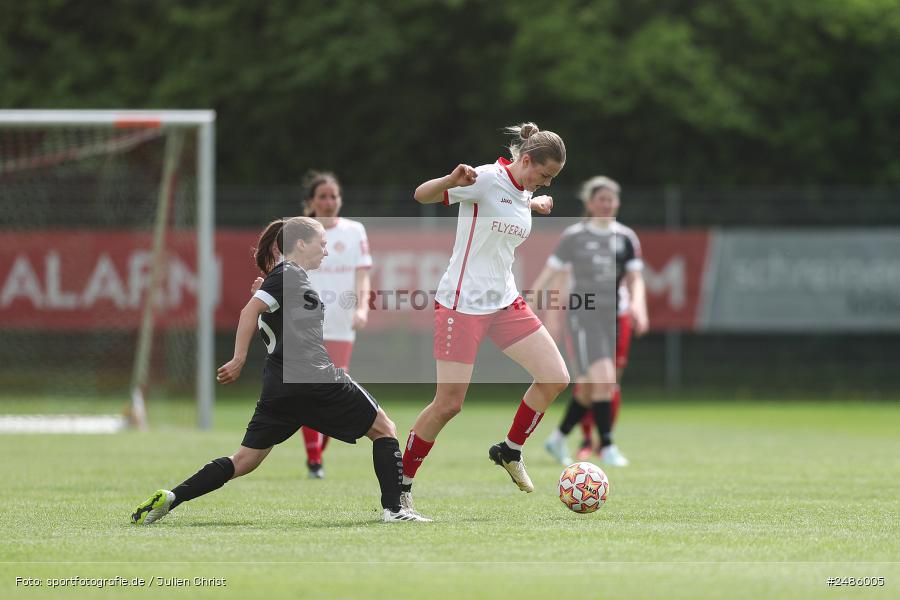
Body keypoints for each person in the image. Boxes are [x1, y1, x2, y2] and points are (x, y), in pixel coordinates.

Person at [131, 217, 428, 525]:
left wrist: (266, 289)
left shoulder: (284, 277)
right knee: (385, 428)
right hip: (314, 377)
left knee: (244, 460)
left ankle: (172, 497)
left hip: (280, 388)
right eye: (322, 244)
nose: (326, 252)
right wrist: (238, 358)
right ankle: (396, 510)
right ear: (300, 244)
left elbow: (269, 311)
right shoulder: (288, 275)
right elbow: (250, 312)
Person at [399, 122, 569, 516]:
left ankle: (509, 450)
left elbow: (511, 203)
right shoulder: (485, 179)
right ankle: (400, 488)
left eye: (551, 180)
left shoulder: (522, 190)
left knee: (555, 377)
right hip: (462, 303)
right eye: (544, 176)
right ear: (525, 159)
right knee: (448, 405)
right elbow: (422, 195)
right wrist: (449, 179)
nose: (545, 184)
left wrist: (533, 204)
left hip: (504, 301)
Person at [252, 171, 372, 479]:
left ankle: (318, 453)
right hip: (303, 321)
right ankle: (315, 457)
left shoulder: (355, 230)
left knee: (336, 387)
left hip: (341, 320)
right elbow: (282, 274)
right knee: (308, 385)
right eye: (323, 196)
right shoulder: (298, 231)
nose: (329, 202)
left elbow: (362, 273)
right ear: (311, 202)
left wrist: (361, 307)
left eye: (334, 196)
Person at [535, 176, 648, 467]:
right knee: (602, 380)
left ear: (618, 203)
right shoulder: (575, 235)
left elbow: (635, 279)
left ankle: (558, 438)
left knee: (592, 386)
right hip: (583, 315)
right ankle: (607, 446)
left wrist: (638, 306)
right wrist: (533, 301)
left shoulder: (625, 237)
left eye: (612, 199)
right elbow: (552, 274)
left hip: (612, 316)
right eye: (601, 199)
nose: (607, 204)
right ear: (590, 203)